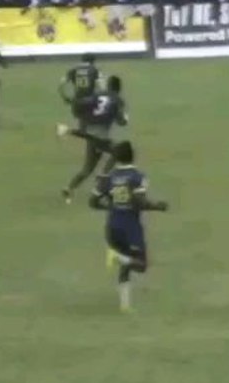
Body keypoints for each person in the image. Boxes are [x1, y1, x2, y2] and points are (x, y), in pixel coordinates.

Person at [61, 130, 168, 313]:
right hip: (130, 227)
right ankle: (116, 257)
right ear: (133, 155)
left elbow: (93, 202)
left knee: (126, 264)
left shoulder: (108, 178)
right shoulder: (137, 176)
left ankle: (125, 305)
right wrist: (157, 206)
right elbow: (139, 201)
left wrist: (112, 206)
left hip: (112, 226)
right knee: (141, 265)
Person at [61, 75, 128, 203]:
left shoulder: (98, 95)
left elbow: (83, 106)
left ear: (108, 86)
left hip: (90, 134)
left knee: (87, 169)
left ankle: (69, 188)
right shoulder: (117, 100)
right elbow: (121, 121)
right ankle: (104, 176)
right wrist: (125, 118)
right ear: (119, 88)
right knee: (118, 152)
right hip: (101, 136)